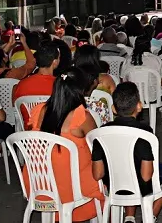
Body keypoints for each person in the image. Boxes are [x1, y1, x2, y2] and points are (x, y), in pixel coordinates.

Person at [24, 68, 105, 221]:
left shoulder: (37, 110)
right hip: (72, 186)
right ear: (80, 89)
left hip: (40, 183)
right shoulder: (82, 116)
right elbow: (98, 146)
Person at [91, 82, 162, 222]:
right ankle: (149, 217)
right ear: (139, 106)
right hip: (141, 187)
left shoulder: (100, 134)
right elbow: (147, 175)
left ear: (113, 109)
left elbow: (97, 174)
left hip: (113, 187)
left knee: (126, 170)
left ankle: (129, 217)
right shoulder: (145, 133)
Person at [122, 38, 162, 130]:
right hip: (153, 97)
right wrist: (155, 87)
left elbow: (123, 82)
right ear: (149, 46)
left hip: (134, 97)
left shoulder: (127, 61)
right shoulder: (156, 59)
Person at [13, 43, 60, 123]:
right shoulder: (60, 85)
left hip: (27, 132)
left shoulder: (21, 84)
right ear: (55, 62)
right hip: (53, 133)